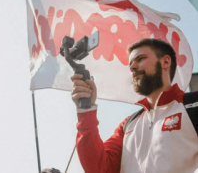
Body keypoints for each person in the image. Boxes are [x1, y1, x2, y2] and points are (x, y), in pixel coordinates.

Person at [70, 38, 198, 173]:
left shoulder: (192, 104)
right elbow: (99, 169)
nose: (132, 67)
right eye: (130, 64)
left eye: (140, 59)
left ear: (165, 62)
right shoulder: (128, 124)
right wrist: (86, 110)